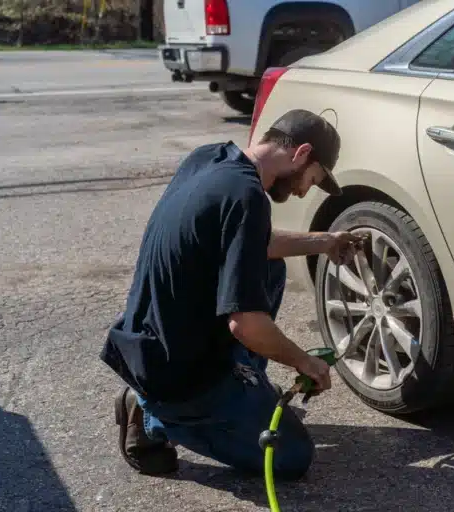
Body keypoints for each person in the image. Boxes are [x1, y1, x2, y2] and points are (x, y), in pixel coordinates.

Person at [99, 108, 360, 480]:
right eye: (312, 179)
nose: (304, 191)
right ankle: (150, 412)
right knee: (293, 456)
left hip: (150, 338)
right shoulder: (248, 197)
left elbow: (255, 242)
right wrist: (305, 361)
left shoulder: (209, 158)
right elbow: (247, 325)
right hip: (177, 375)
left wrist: (325, 242)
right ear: (301, 154)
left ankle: (237, 391)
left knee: (269, 267)